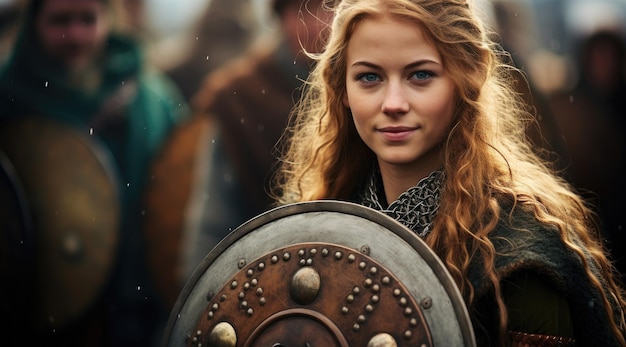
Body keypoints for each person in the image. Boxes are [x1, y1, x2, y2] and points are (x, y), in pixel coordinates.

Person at [271, 0, 626, 346]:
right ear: (342, 89)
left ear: (464, 79)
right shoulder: (316, 225)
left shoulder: (519, 258)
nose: (393, 103)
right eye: (369, 77)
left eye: (420, 75)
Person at [0, 0, 188, 346]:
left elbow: (179, 194)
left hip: (133, 309)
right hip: (34, 303)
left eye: (88, 19)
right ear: (34, 21)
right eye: (60, 20)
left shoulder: (150, 99)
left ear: (109, 19)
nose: (75, 34)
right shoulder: (9, 99)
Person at [179, 0, 332, 279]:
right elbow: (213, 228)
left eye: (329, 6)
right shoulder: (241, 100)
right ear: (280, 17)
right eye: (301, 11)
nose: (319, 23)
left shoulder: (371, 90)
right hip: (265, 280)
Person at [548, 29, 626, 279]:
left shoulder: (620, 104)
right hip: (587, 211)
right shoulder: (569, 106)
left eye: (610, 56)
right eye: (598, 56)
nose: (604, 64)